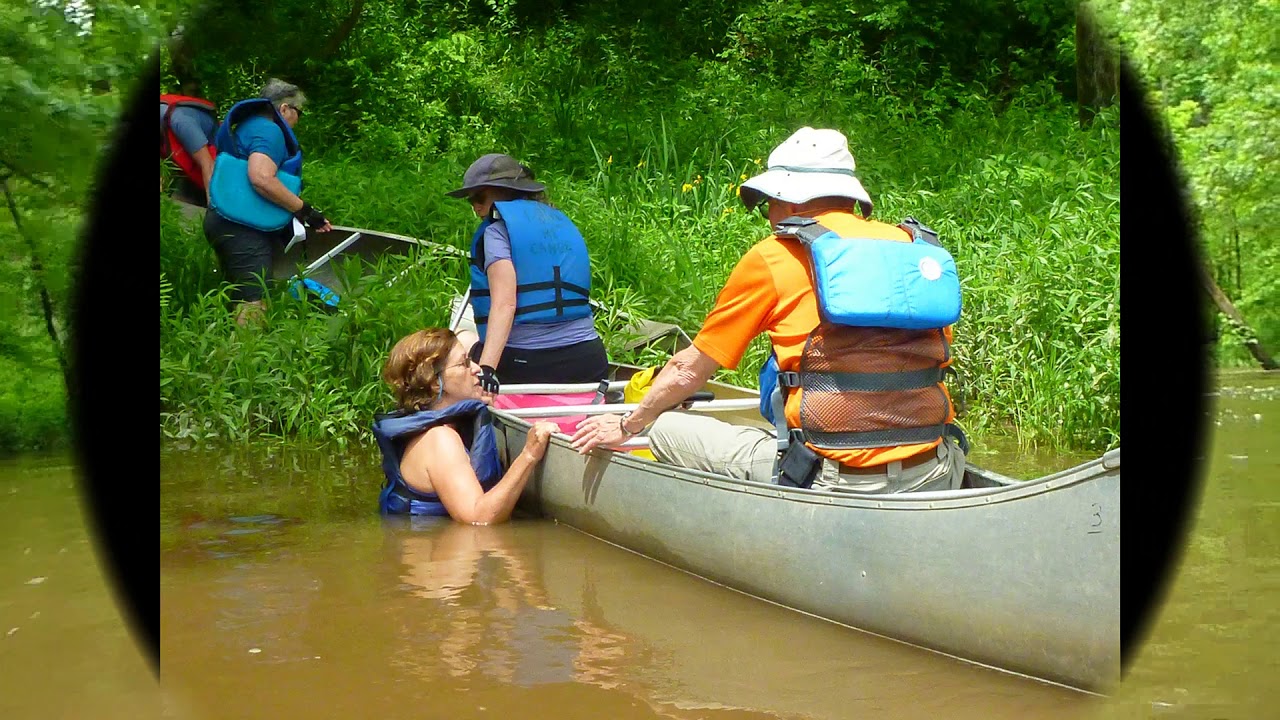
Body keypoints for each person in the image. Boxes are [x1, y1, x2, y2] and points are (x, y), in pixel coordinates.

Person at [570, 127, 968, 494]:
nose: (770, 218)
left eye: (768, 205)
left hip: (833, 481)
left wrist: (627, 424)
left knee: (666, 427)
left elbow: (689, 369)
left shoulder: (775, 256)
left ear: (788, 198)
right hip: (935, 471)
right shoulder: (916, 251)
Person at [446, 153, 608, 394]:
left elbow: (505, 304)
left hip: (529, 364)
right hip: (589, 359)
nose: (476, 206)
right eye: (471, 201)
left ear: (506, 192)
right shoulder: (560, 222)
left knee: (462, 337)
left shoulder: (496, 231)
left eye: (480, 197)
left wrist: (488, 368)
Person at [373, 327, 559, 524]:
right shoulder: (439, 439)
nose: (477, 368)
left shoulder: (443, 426)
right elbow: (479, 518)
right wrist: (529, 455)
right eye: (464, 363)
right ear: (435, 383)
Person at [203, 78, 333, 326]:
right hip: (242, 228)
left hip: (223, 221)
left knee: (240, 294)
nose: (297, 121)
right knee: (254, 303)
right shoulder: (269, 130)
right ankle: (246, 360)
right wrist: (305, 210)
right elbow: (261, 178)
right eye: (299, 113)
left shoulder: (248, 126)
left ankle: (229, 352)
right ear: (284, 108)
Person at [160, 90, 217, 205]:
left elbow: (208, 165)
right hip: (189, 175)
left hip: (217, 172)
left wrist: (214, 210)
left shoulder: (181, 122)